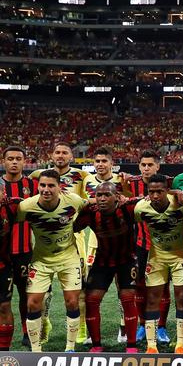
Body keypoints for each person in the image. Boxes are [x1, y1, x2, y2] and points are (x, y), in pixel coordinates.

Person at [7, 170, 87, 352]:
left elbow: (90, 207)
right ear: (38, 186)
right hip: (41, 259)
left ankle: (70, 348)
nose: (46, 189)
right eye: (43, 185)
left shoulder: (73, 200)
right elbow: (8, 220)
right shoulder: (26, 206)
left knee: (72, 302)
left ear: (60, 187)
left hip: (69, 257)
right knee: (33, 303)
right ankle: (36, 350)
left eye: (51, 185)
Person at [30, 141, 90, 344]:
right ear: (52, 155)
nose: (61, 156)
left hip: (73, 238)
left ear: (71, 157)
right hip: (44, 237)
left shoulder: (81, 176)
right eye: (57, 152)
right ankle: (44, 323)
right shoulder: (38, 175)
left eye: (65, 152)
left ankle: (81, 327)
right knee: (43, 290)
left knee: (78, 288)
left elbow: (94, 194)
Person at [73, 182, 139, 353]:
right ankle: (96, 345)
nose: (102, 199)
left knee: (127, 299)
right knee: (91, 300)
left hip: (127, 260)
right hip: (102, 261)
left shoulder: (128, 208)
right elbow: (73, 227)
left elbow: (147, 203)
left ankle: (131, 345)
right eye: (99, 195)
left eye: (107, 195)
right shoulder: (90, 212)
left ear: (116, 197)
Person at [134, 174, 183, 354]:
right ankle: (151, 346)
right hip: (156, 257)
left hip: (179, 255)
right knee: (152, 298)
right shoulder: (140, 208)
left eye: (160, 191)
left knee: (181, 297)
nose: (156, 195)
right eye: (152, 192)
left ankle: (180, 344)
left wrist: (178, 192)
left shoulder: (181, 204)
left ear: (167, 190)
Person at [80, 146, 131, 345]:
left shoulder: (121, 179)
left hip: (121, 242)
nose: (100, 165)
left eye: (104, 161)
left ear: (112, 163)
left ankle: (124, 329)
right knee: (90, 289)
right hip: (95, 242)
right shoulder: (87, 180)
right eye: (97, 161)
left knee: (124, 289)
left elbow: (127, 198)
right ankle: (90, 333)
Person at [127, 150, 173, 345]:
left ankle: (161, 327)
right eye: (143, 165)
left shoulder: (169, 183)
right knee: (139, 285)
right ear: (139, 166)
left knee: (162, 287)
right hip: (139, 244)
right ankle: (142, 324)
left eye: (150, 165)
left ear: (157, 166)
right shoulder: (130, 183)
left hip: (164, 245)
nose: (146, 168)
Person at [1, 145, 38, 347]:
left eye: (18, 158)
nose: (14, 162)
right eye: (10, 158)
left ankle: (26, 331)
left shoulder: (33, 185)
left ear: (25, 162)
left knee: (27, 295)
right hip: (2, 254)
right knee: (3, 300)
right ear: (4, 161)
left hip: (24, 251)